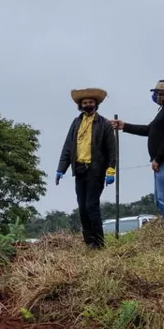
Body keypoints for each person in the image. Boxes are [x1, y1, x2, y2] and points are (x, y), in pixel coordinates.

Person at [110, 80, 164, 237]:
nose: (154, 96)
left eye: (156, 93)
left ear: (162, 95)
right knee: (161, 201)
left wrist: (158, 158)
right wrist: (124, 126)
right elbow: (150, 130)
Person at [55, 87, 117, 249]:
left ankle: (99, 242)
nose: (88, 105)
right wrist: (61, 168)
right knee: (82, 207)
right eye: (85, 103)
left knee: (91, 205)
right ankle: (89, 242)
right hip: (80, 169)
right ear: (80, 105)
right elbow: (68, 147)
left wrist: (111, 170)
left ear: (96, 104)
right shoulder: (76, 123)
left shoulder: (104, 124)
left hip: (96, 170)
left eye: (91, 102)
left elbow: (112, 150)